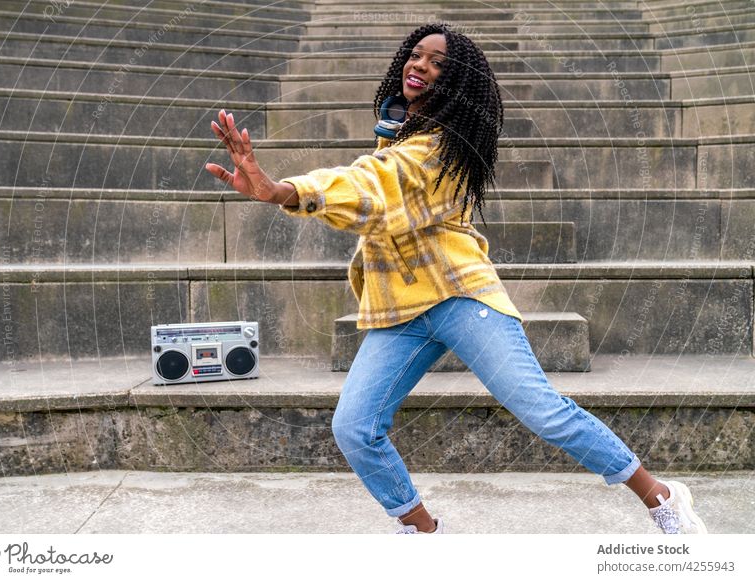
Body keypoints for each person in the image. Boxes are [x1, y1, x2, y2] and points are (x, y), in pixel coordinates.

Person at [204, 23, 707, 536]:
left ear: (458, 83)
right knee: (355, 427)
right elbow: (378, 179)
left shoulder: (446, 147)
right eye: (415, 55)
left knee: (541, 410)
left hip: (458, 294)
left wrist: (284, 191)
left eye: (437, 62)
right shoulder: (399, 132)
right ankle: (422, 531)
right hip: (400, 305)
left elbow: (377, 187)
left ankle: (661, 496)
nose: (419, 66)